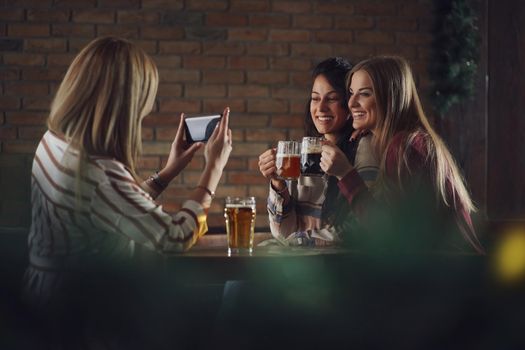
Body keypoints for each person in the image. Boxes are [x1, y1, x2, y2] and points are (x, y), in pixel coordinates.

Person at [22, 36, 232, 346]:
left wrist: (167, 173)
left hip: (44, 298)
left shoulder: (54, 142)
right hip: (80, 317)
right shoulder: (96, 172)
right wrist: (212, 169)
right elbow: (174, 236)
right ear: (128, 99)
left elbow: (110, 205)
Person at [321, 55, 484, 253]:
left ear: (390, 97)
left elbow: (387, 232)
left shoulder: (405, 147)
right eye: (351, 93)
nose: (351, 103)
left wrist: (345, 174)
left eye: (364, 94)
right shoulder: (412, 139)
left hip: (450, 274)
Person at [258, 57, 379, 246]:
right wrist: (278, 183)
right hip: (303, 266)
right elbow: (283, 232)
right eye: (315, 98)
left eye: (331, 99)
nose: (321, 107)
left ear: (347, 105)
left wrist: (296, 243)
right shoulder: (303, 152)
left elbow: (361, 228)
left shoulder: (365, 147)